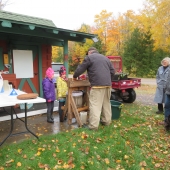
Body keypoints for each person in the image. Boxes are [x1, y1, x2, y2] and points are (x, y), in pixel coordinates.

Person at [73, 47, 115, 130]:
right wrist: (107, 80)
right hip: (108, 85)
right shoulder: (105, 58)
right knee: (106, 103)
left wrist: (74, 76)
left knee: (95, 105)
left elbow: (81, 69)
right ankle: (106, 121)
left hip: (97, 85)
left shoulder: (89, 58)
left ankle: (93, 126)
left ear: (89, 52)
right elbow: (112, 71)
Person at [161, 65, 170, 131]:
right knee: (166, 105)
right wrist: (165, 87)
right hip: (168, 92)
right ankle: (166, 121)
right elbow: (167, 79)